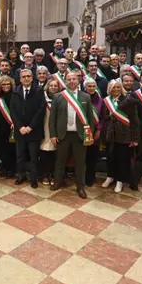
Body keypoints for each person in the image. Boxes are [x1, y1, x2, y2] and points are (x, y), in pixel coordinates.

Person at [49, 71, 94, 199]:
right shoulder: (58, 96)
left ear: (78, 80)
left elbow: (90, 118)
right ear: (65, 81)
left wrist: (89, 135)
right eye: (69, 79)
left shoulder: (85, 97)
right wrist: (53, 135)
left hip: (79, 136)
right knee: (60, 161)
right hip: (63, 135)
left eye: (74, 79)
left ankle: (80, 186)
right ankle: (57, 181)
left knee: (80, 162)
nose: (72, 81)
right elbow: (52, 119)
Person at [101, 80, 141, 192]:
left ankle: (120, 181)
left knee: (122, 159)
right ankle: (110, 176)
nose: (116, 90)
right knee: (110, 157)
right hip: (110, 135)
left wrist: (135, 138)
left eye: (118, 87)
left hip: (125, 135)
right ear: (110, 89)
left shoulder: (128, 101)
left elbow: (135, 121)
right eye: (113, 87)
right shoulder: (106, 101)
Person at [11, 68, 46, 188]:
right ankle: (21, 175)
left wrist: (30, 127)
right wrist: (20, 126)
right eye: (23, 77)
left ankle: (33, 177)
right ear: (20, 79)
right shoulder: (16, 90)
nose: (26, 78)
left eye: (28, 76)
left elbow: (41, 110)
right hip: (20, 130)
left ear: (32, 78)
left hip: (34, 130)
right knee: (20, 155)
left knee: (33, 156)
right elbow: (13, 110)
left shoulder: (39, 90)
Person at [83, 78, 105, 187]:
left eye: (93, 86)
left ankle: (90, 177)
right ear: (85, 87)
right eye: (89, 86)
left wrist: (99, 130)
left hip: (95, 132)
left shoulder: (101, 101)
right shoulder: (80, 98)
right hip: (82, 132)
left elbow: (102, 118)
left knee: (92, 157)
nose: (91, 88)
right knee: (82, 157)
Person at [0, 75, 18, 178]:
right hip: (1, 126)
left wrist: (15, 123)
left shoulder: (16, 95)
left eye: (8, 84)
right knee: (2, 148)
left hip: (12, 125)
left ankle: (11, 169)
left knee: (11, 148)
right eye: (3, 84)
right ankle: (3, 168)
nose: (6, 86)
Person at [40, 78, 61, 186]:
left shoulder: (62, 97)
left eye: (55, 86)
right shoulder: (42, 97)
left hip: (57, 128)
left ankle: (54, 174)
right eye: (51, 86)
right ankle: (45, 174)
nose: (53, 87)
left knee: (56, 153)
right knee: (44, 151)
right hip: (44, 127)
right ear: (47, 87)